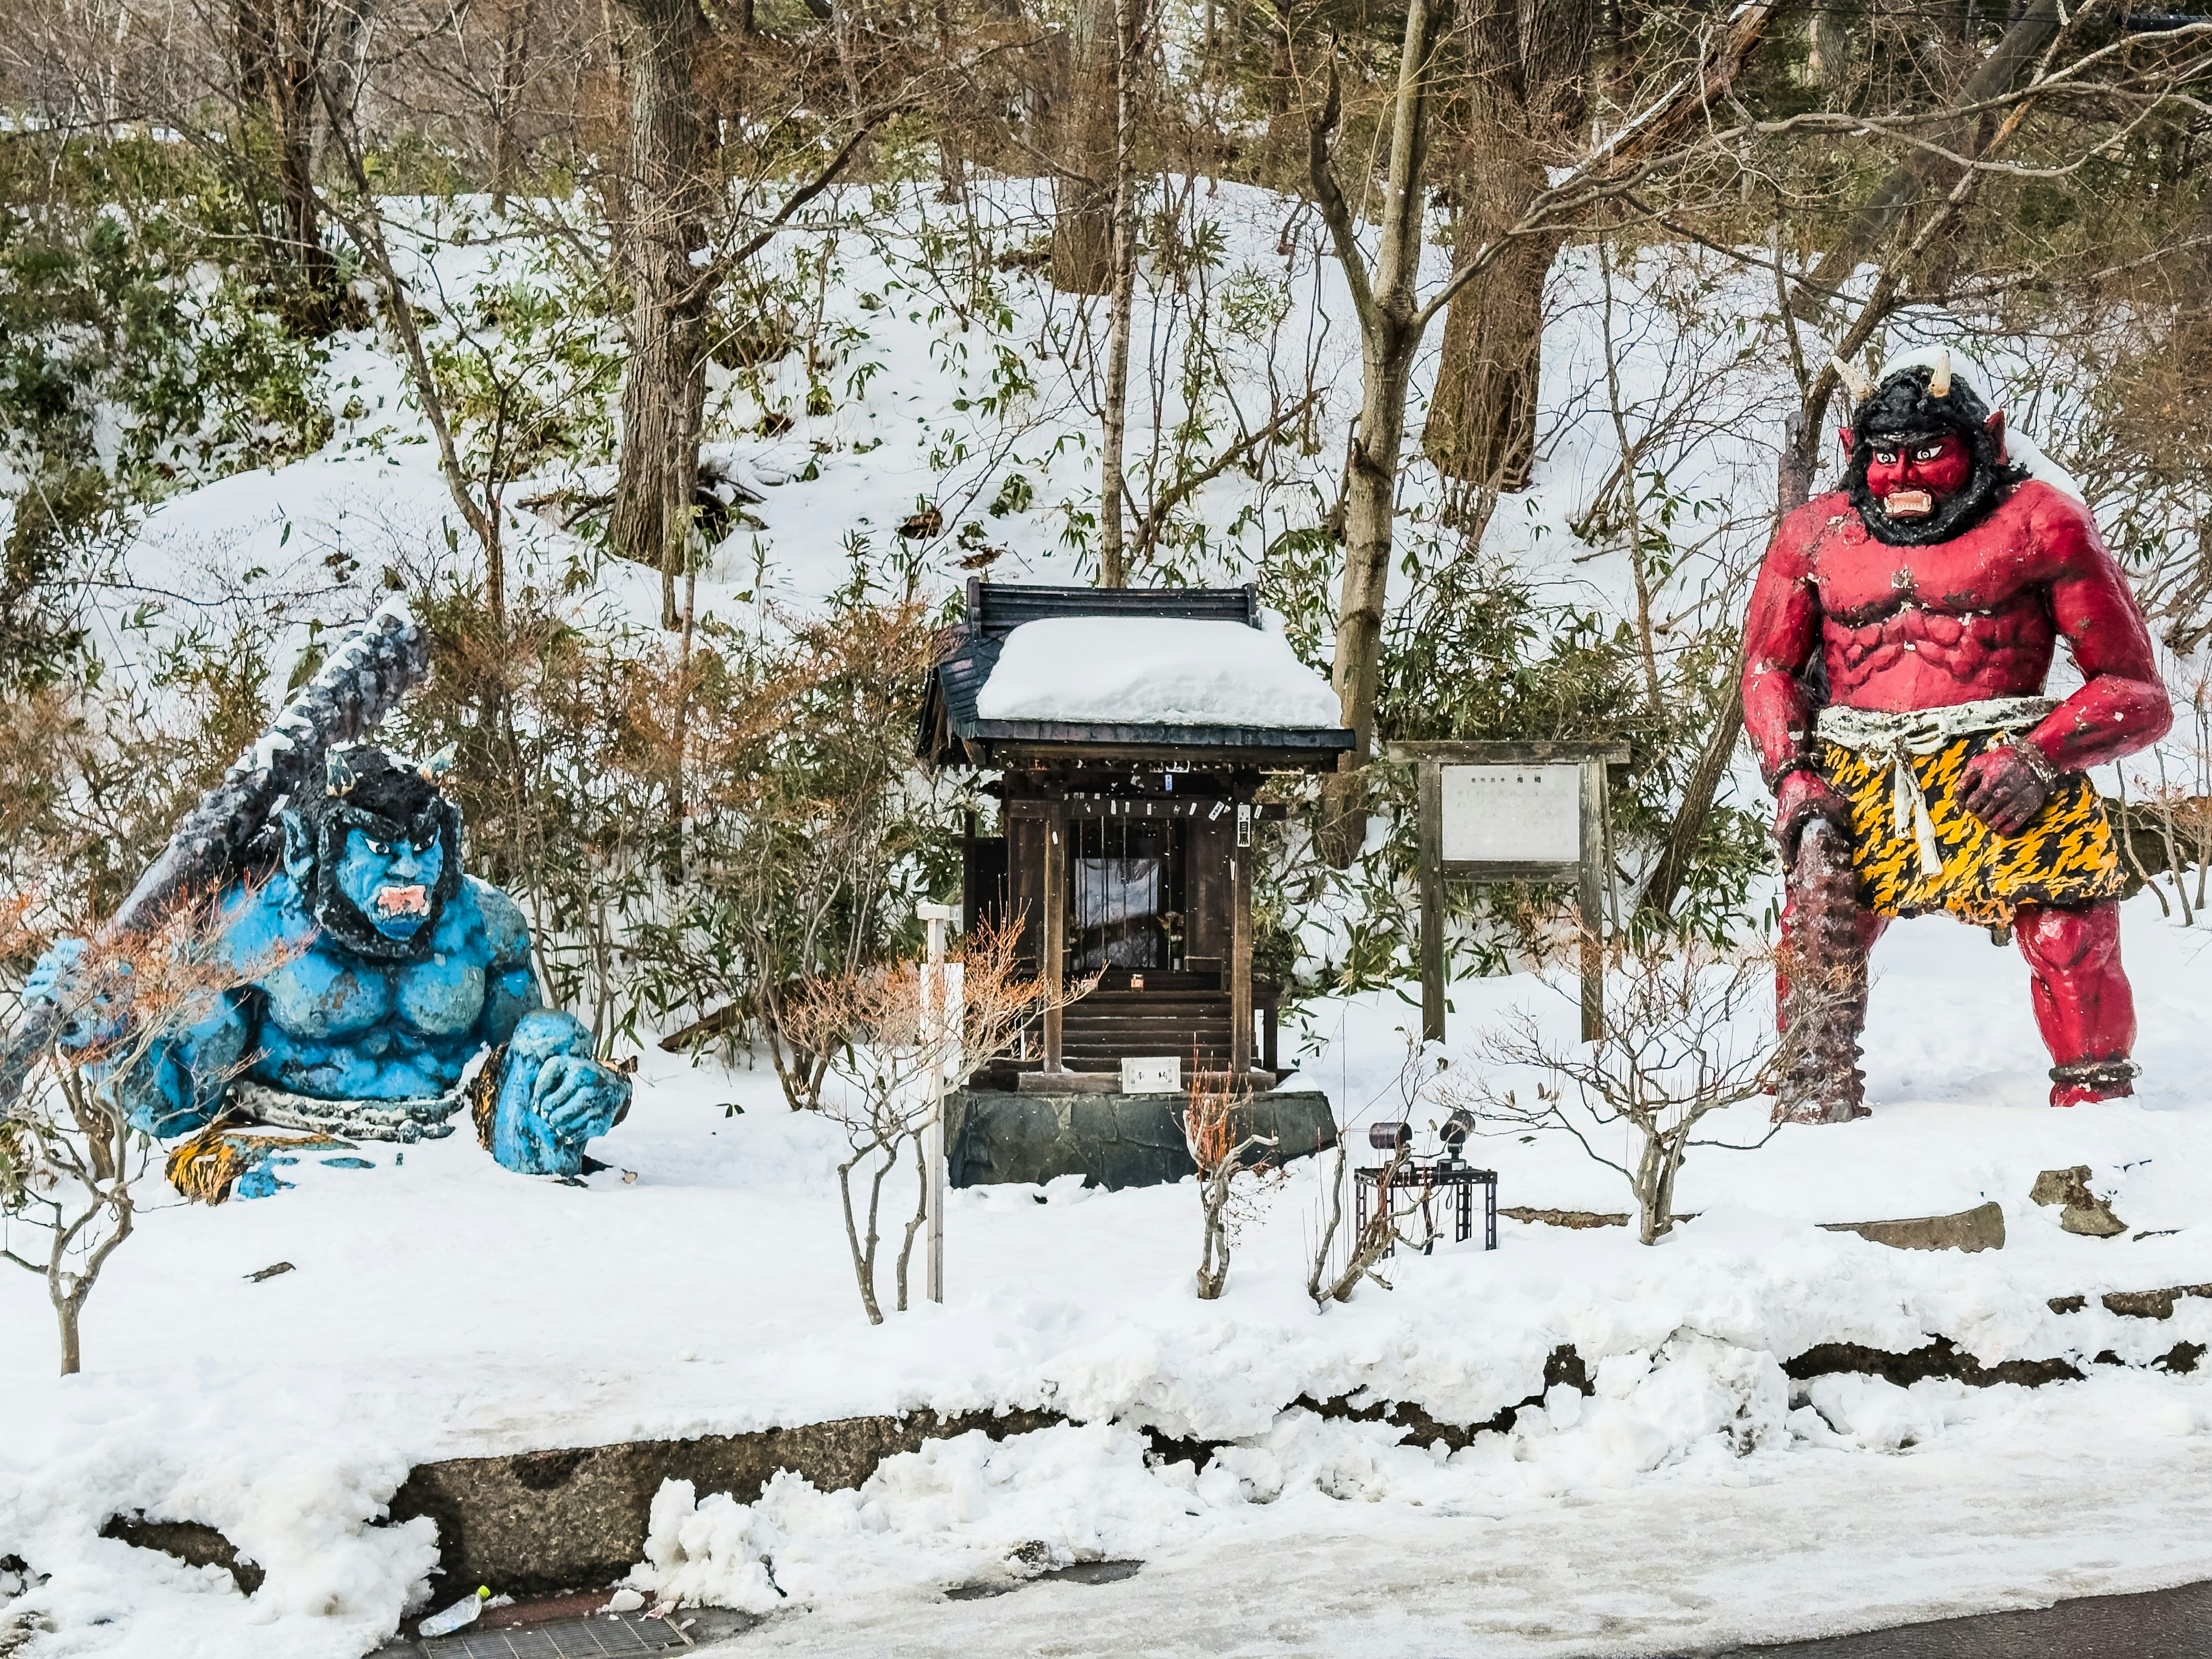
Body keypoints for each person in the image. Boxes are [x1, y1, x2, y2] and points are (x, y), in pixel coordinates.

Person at [1741, 346, 2172, 1111]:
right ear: (1853, 452)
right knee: (1817, 940)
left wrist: (2040, 758)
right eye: (1885, 458)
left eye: (1928, 455)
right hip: (1863, 776)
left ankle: (2100, 1120)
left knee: (2070, 936)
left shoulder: (2043, 524)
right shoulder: (1814, 535)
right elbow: (1768, 671)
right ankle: (1809, 1110)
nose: (1902, 478)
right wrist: (1793, 776)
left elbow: (2135, 692)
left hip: (2010, 769)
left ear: (1987, 442)